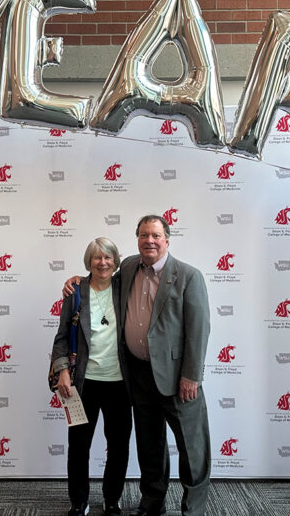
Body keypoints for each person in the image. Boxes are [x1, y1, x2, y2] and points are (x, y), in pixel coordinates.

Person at [64, 215, 211, 516]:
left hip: (177, 377)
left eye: (155, 235)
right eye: (144, 235)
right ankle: (153, 501)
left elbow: (199, 330)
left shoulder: (188, 276)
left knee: (191, 447)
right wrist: (76, 280)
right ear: (137, 240)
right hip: (138, 376)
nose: (150, 241)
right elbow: (99, 277)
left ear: (167, 239)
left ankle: (193, 508)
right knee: (149, 444)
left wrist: (191, 376)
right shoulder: (129, 267)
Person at [51, 237, 132, 516]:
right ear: (89, 261)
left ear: (116, 260)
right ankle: (79, 501)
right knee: (79, 445)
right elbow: (62, 336)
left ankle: (112, 500)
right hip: (84, 383)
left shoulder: (125, 288)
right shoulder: (75, 292)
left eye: (108, 257)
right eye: (97, 258)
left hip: (121, 383)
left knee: (119, 445)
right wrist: (62, 370)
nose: (103, 262)